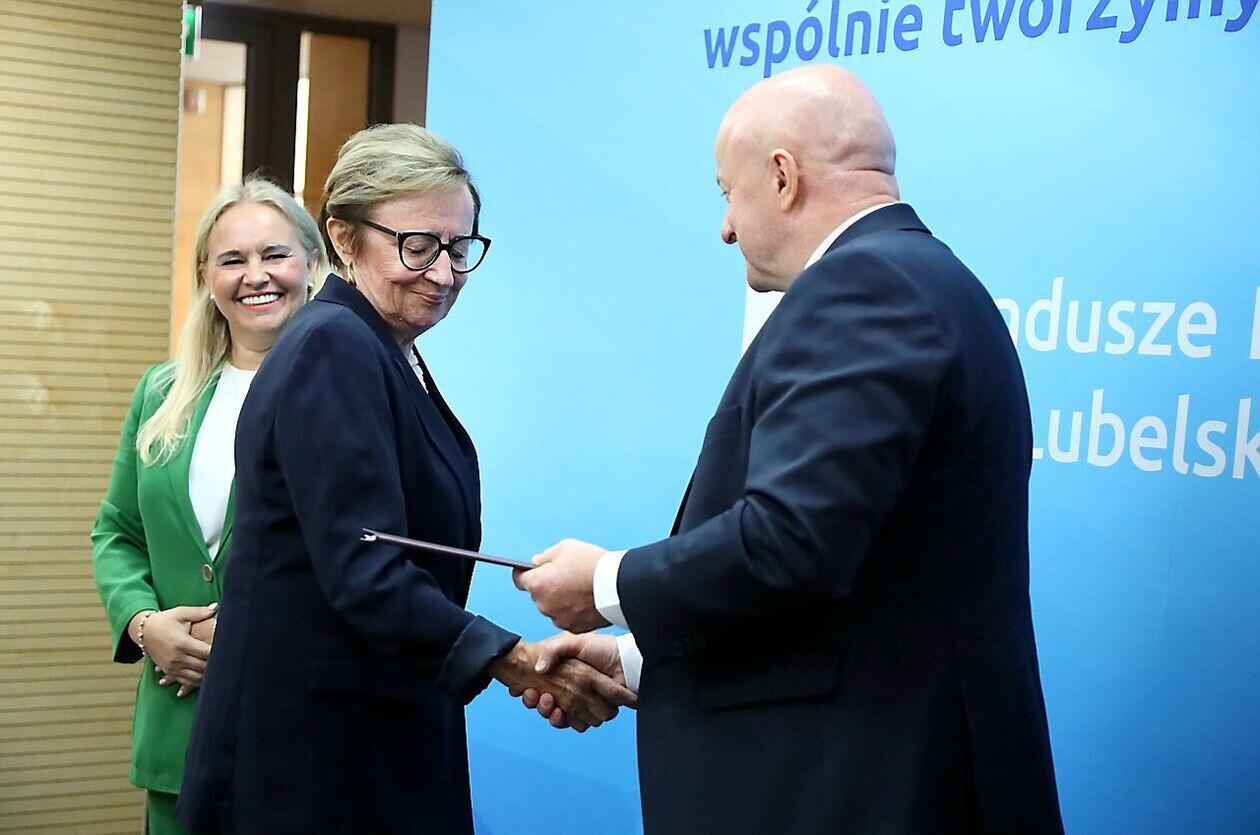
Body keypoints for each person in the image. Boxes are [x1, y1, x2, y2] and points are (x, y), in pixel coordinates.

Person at [514, 66, 1064, 834]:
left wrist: (605, 582)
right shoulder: (922, 277)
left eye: (726, 194)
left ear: (782, 176)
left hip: (860, 786)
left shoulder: (864, 286)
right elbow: (854, 577)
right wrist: (642, 657)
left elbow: (790, 543)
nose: (726, 228)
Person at [177, 124, 634, 835]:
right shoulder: (333, 344)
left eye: (460, 247)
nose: (444, 273)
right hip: (312, 763)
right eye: (417, 246)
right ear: (343, 237)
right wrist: (514, 660)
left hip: (370, 735)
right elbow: (366, 567)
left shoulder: (382, 347)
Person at [91, 176, 326, 834]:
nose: (256, 276)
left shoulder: (342, 394)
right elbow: (117, 531)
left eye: (274, 254)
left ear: (313, 263)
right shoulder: (162, 391)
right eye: (232, 259)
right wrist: (145, 625)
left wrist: (250, 636)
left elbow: (356, 557)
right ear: (205, 276)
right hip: (178, 733)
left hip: (296, 734)